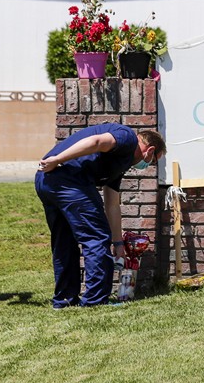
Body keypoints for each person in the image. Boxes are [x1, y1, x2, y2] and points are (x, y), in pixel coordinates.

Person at [34, 124, 165, 309]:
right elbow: (96, 141)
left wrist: (118, 243)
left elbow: (112, 205)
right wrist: (57, 159)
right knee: (96, 237)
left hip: (47, 181)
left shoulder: (119, 164)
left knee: (64, 241)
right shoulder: (127, 138)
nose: (149, 165)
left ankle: (64, 300)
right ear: (150, 150)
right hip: (66, 178)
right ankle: (95, 301)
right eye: (153, 161)